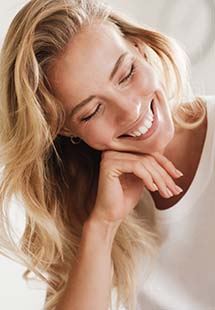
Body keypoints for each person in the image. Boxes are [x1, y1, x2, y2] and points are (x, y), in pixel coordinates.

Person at [0, 0, 214, 309]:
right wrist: (102, 226)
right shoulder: (86, 202)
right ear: (67, 131)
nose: (129, 110)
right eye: (92, 111)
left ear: (140, 49)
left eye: (126, 73)